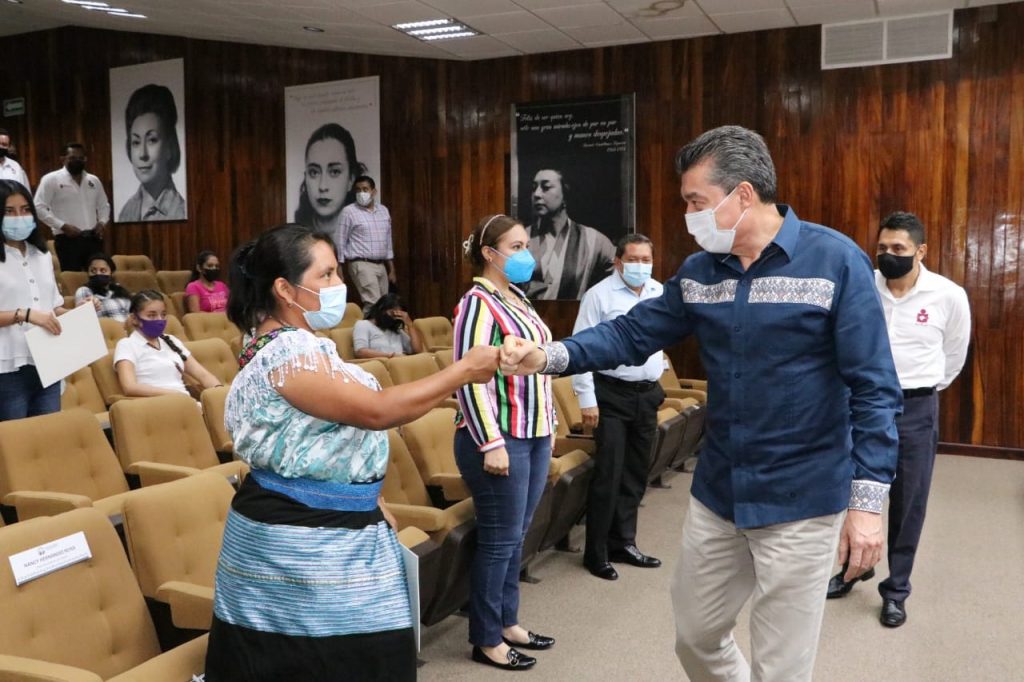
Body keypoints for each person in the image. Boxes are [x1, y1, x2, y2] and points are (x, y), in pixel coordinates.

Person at [500, 125, 902, 681]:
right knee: (695, 637)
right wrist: (549, 356)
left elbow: (875, 388)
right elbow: (630, 334)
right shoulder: (698, 274)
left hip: (801, 497)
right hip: (720, 493)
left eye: (697, 202)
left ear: (742, 195)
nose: (689, 215)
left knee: (781, 666)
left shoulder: (835, 261)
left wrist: (867, 503)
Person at [204, 223, 498, 682]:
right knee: (320, 658)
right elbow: (376, 412)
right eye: (326, 274)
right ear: (285, 288)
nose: (339, 285)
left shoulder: (303, 346)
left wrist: (370, 497)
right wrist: (463, 369)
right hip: (299, 541)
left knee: (359, 656)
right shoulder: (285, 353)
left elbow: (319, 440)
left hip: (339, 529)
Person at [826, 211, 970, 628]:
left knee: (908, 501)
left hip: (915, 406)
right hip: (857, 403)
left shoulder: (948, 295)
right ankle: (854, 567)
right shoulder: (862, 285)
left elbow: (954, 356)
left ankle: (896, 590)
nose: (888, 255)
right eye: (882, 248)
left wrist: (920, 387)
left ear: (921, 251)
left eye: (899, 249)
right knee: (849, 490)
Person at [452, 213, 556, 673]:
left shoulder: (517, 299)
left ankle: (508, 620)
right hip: (497, 437)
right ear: (490, 254)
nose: (525, 254)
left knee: (517, 535)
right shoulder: (477, 302)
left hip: (533, 432)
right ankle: (486, 637)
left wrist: (548, 428)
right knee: (498, 540)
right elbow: (470, 379)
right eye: (515, 247)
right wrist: (490, 441)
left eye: (525, 245)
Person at [571, 233, 665, 581]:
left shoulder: (659, 292)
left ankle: (623, 542)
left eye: (646, 259)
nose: (641, 266)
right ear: (618, 262)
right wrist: (586, 398)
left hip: (647, 394)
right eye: (634, 259)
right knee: (608, 476)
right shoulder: (599, 295)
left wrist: (660, 370)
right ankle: (596, 554)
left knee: (636, 473)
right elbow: (581, 348)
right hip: (610, 394)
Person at [0, 180, 65, 421]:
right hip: (7, 366)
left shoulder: (42, 254)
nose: (19, 217)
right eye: (9, 211)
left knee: (47, 440)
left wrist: (80, 312)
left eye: (25, 209)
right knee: (13, 446)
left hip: (47, 360)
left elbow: (53, 306)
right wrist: (23, 314)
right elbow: (32, 312)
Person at [523, 167, 615, 301]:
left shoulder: (594, 240)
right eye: (533, 187)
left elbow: (617, 281)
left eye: (546, 187)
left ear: (565, 193)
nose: (536, 194)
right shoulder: (521, 238)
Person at [114, 290, 221, 397]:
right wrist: (175, 394)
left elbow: (203, 375)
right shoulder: (126, 345)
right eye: (151, 315)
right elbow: (130, 387)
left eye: (163, 314)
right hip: (157, 405)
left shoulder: (171, 340)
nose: (159, 320)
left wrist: (220, 392)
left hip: (186, 403)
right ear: (134, 319)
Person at [34, 142, 111, 272]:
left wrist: (102, 223)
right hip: (67, 240)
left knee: (97, 276)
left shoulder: (93, 180)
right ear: (63, 159)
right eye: (73, 158)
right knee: (72, 278)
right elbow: (38, 207)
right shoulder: (51, 179)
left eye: (81, 158)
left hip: (92, 238)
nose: (78, 161)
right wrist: (62, 225)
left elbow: (104, 205)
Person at [117, 84, 186, 222]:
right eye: (136, 142)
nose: (143, 154)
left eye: (152, 140)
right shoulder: (126, 211)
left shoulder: (180, 211)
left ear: (169, 147)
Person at [336, 175, 395, 312]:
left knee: (385, 304)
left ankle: (380, 332)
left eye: (365, 189)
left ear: (374, 191)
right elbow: (340, 240)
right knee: (373, 304)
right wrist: (339, 267)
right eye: (358, 190)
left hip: (381, 264)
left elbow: (388, 240)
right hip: (361, 263)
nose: (361, 193)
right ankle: (366, 332)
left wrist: (391, 268)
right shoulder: (349, 212)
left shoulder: (383, 211)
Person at [293, 122, 365, 232]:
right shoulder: (296, 235)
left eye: (335, 172)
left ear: (351, 179)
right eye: (314, 172)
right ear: (306, 177)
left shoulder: (363, 235)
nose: (322, 186)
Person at [352, 293, 425, 359]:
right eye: (392, 313)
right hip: (381, 367)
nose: (395, 317)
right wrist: (390, 356)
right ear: (381, 310)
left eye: (398, 315)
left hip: (400, 366)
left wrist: (410, 325)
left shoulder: (395, 328)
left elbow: (417, 350)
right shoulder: (363, 325)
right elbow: (360, 352)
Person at [74, 252, 132, 322]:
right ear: (88, 273)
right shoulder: (84, 290)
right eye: (93, 271)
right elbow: (84, 317)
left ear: (111, 273)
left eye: (103, 270)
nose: (98, 273)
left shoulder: (119, 289)